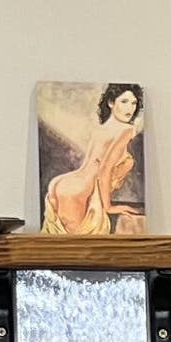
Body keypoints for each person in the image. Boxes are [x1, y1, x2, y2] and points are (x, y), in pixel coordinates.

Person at [43, 83, 146, 238]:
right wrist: (108, 206)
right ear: (111, 103)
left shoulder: (101, 128)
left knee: (58, 250)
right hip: (82, 191)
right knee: (77, 252)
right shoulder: (126, 130)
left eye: (133, 103)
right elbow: (104, 171)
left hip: (63, 183)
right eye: (124, 102)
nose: (130, 108)